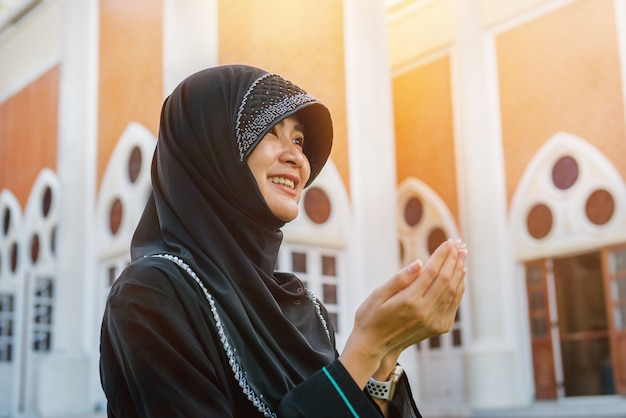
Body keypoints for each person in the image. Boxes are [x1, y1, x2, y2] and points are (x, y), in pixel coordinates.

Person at [99, 64, 467, 417]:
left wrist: (383, 361)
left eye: (299, 139)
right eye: (269, 132)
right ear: (211, 151)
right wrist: (364, 348)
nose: (297, 158)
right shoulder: (152, 295)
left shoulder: (304, 310)